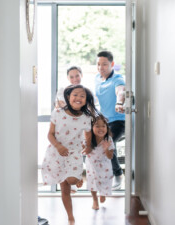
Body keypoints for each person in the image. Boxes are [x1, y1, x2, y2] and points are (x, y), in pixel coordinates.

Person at [41, 84, 98, 225]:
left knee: (71, 181)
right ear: (68, 97)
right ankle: (70, 217)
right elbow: (50, 134)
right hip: (57, 151)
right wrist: (59, 146)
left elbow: (88, 133)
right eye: (75, 95)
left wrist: (88, 145)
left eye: (82, 96)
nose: (78, 98)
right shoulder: (58, 113)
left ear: (86, 100)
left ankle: (77, 178)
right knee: (65, 188)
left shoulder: (86, 117)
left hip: (74, 153)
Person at [94, 50, 125, 190]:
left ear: (112, 64)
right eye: (99, 64)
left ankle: (118, 175)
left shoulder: (117, 78)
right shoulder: (97, 78)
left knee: (108, 141)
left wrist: (119, 103)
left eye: (105, 64)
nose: (101, 67)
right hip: (104, 121)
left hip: (119, 120)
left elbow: (121, 91)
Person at [55, 66, 84, 193]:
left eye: (77, 75)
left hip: (79, 129)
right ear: (68, 78)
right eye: (71, 77)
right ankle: (67, 183)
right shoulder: (63, 90)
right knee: (65, 155)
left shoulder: (85, 91)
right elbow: (59, 105)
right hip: (64, 129)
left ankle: (75, 178)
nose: (74, 79)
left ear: (81, 75)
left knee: (77, 154)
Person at [83, 114, 114, 210]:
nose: (101, 128)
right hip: (92, 165)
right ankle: (95, 200)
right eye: (97, 126)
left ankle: (103, 193)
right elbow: (82, 151)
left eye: (103, 126)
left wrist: (106, 149)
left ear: (107, 128)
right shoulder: (87, 140)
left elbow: (110, 156)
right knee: (92, 182)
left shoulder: (108, 140)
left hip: (105, 165)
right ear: (91, 128)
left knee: (105, 181)